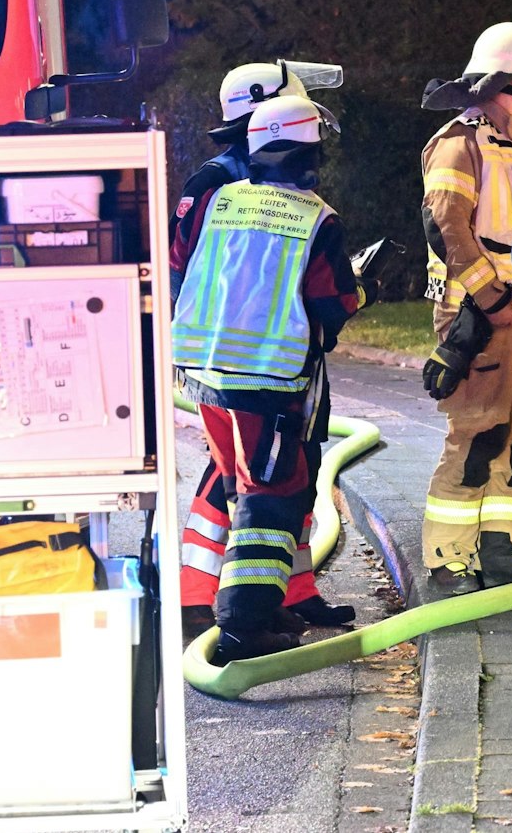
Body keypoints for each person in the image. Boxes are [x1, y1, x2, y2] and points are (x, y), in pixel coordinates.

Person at [170, 94, 365, 663]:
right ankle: (242, 626)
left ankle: (263, 604)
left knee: (238, 485)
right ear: (310, 152)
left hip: (205, 374)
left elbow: (184, 261)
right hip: (267, 381)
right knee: (271, 501)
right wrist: (363, 290)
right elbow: (333, 302)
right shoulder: (317, 218)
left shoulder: (221, 200)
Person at [414, 23, 512, 594]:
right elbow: (446, 226)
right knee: (474, 434)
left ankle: (500, 550)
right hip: (479, 313)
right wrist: (490, 298)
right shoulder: (459, 142)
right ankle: (447, 557)